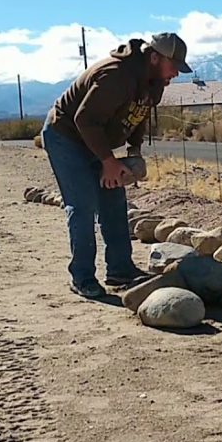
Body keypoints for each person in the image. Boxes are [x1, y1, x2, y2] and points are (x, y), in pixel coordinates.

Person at [40, 32, 192, 298]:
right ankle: (83, 277)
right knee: (83, 205)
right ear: (155, 57)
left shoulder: (155, 82)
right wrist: (108, 162)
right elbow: (84, 120)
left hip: (95, 139)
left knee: (113, 199)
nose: (176, 74)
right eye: (173, 66)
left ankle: (120, 270)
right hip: (66, 135)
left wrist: (134, 150)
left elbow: (139, 115)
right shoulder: (116, 75)